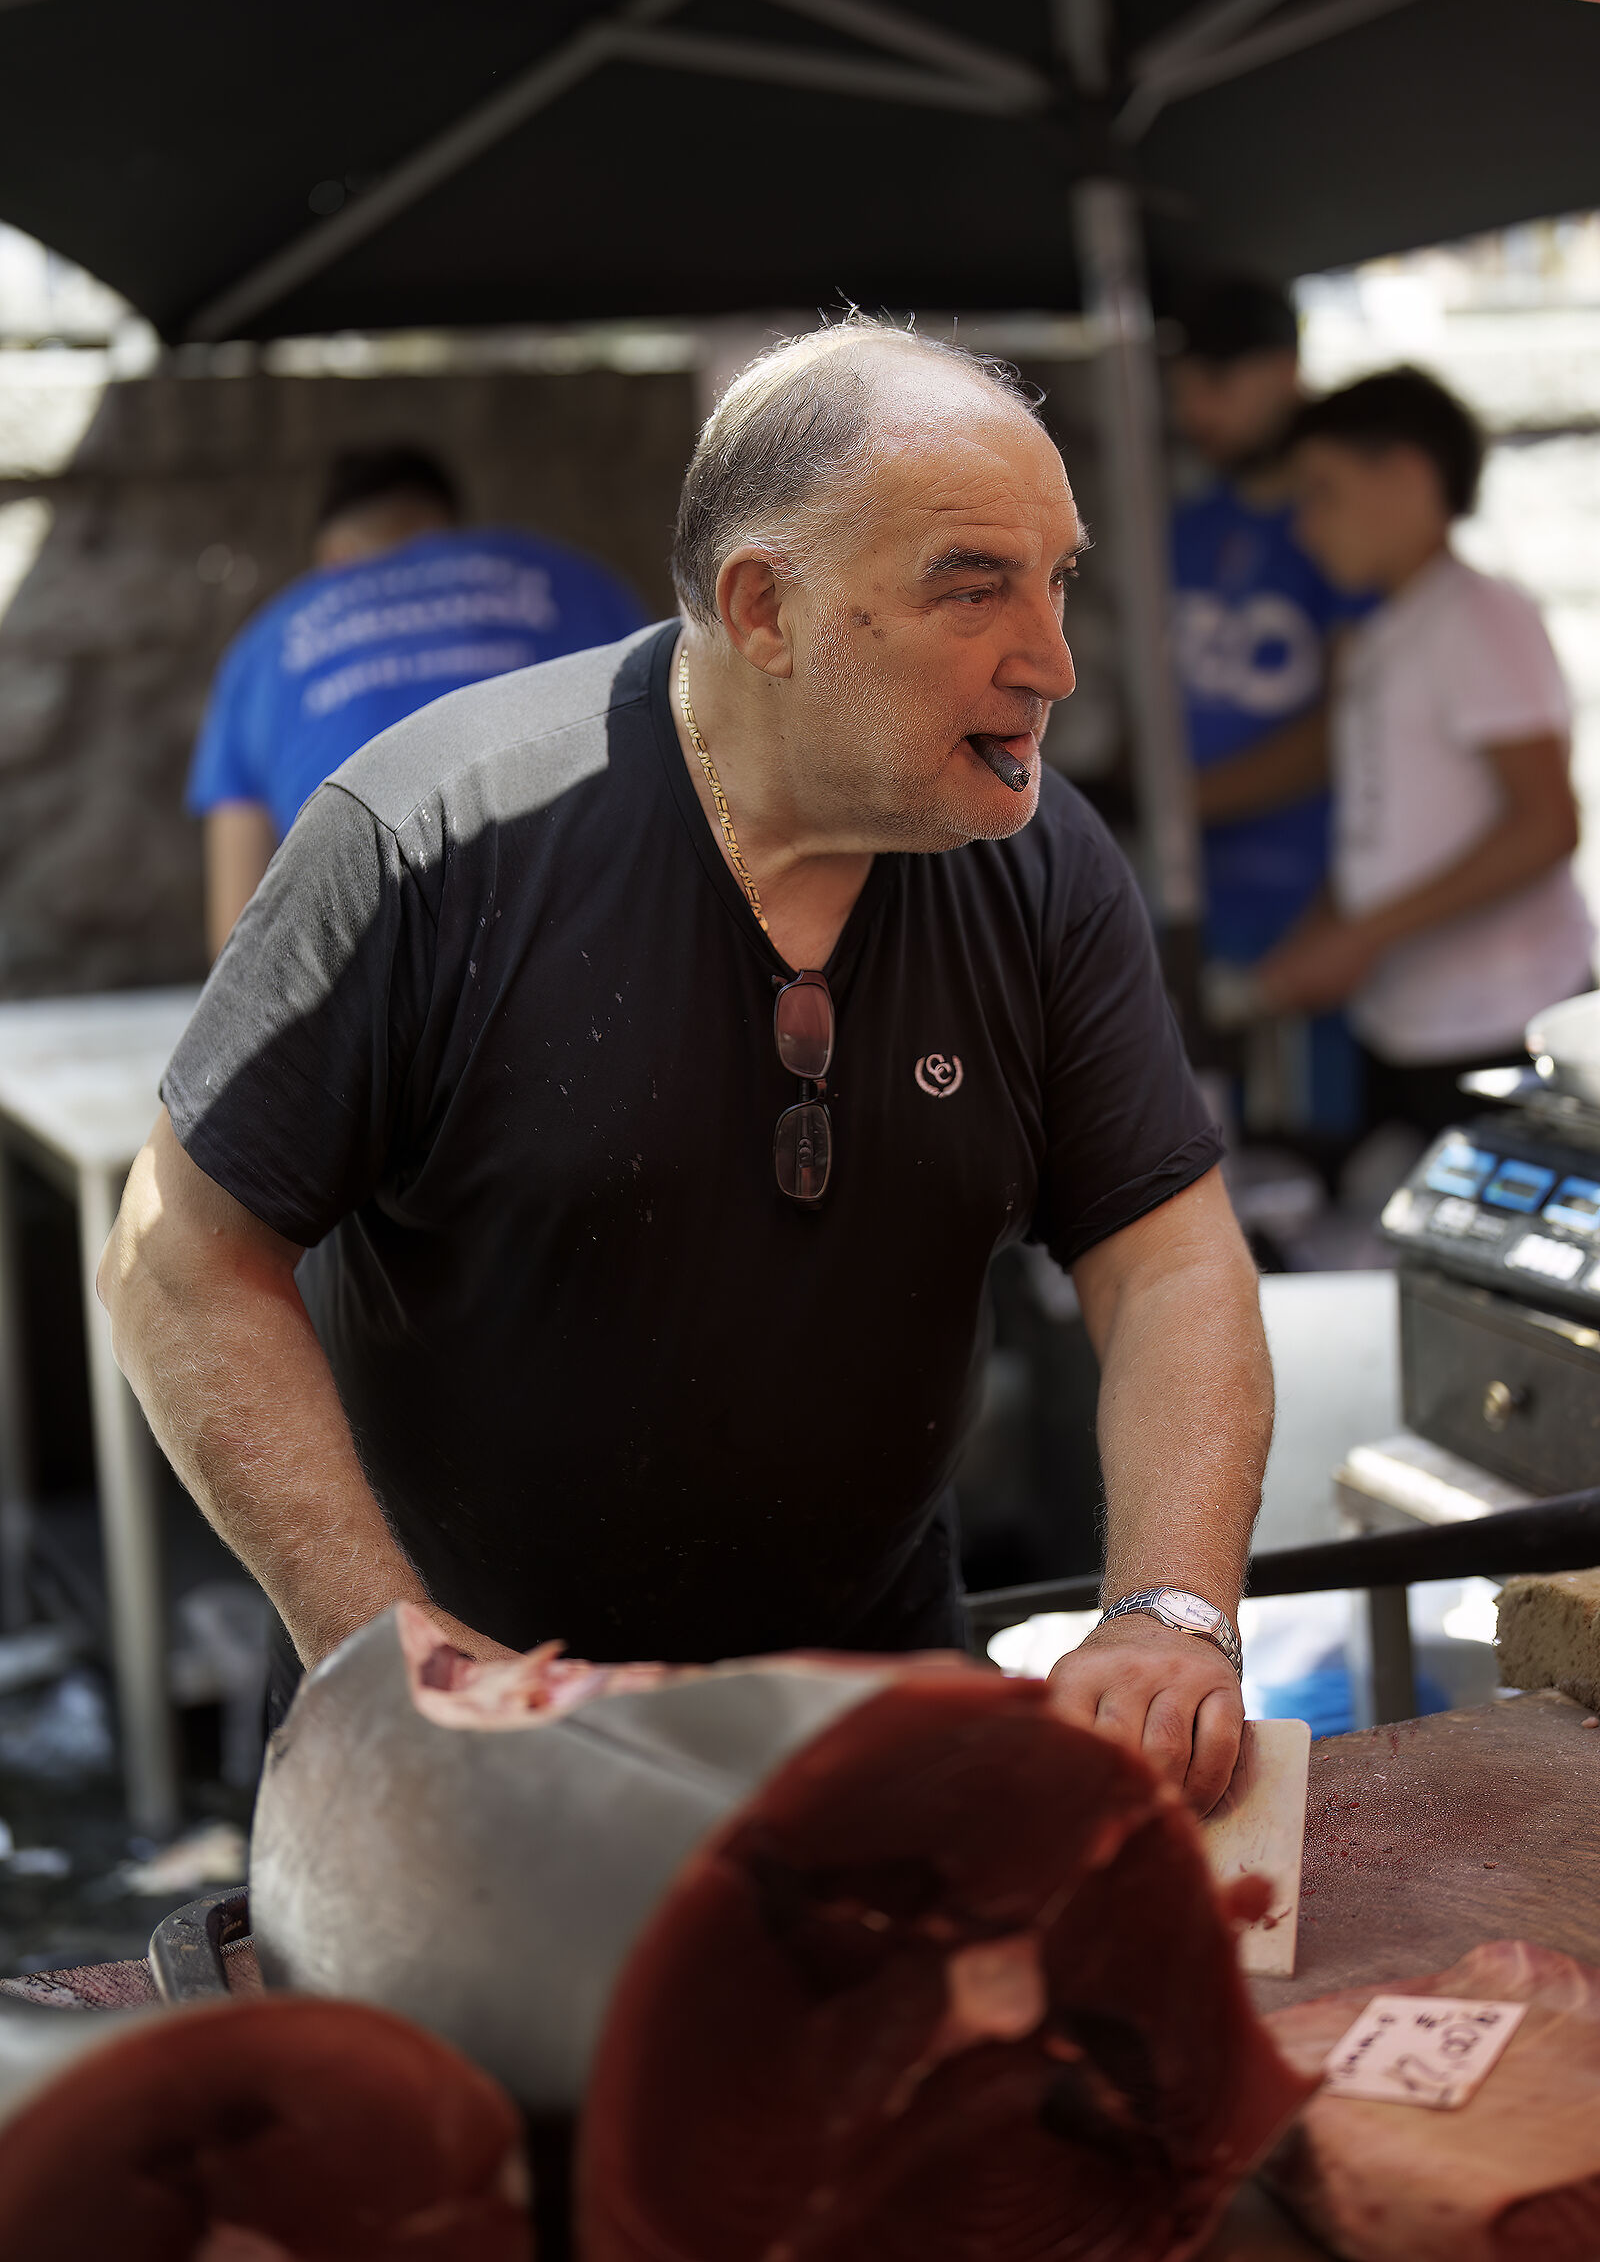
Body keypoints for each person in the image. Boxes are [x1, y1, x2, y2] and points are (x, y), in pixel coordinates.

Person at [101, 324, 1273, 1814]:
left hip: (875, 1717)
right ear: (762, 607)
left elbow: (1168, 1261)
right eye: (972, 586)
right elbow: (178, 1262)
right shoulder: (432, 837)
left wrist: (1170, 1610)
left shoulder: (1043, 861)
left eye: (1060, 580)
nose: (1050, 660)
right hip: (476, 1753)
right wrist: (390, 1654)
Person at [1257, 366, 1593, 1138]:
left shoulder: (1481, 614)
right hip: (1407, 1019)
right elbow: (1379, 822)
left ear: (1408, 476)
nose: (1307, 526)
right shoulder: (1384, 632)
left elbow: (1546, 825)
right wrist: (1327, 931)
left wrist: (1360, 938)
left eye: (1324, 492)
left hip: (1503, 1023)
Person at [188, 443, 646, 955]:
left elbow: (237, 942)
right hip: (579, 945)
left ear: (334, 557)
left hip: (366, 979)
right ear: (449, 529)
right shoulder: (581, 585)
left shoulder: (260, 651)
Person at [1168, 282, 1372, 1133]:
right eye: (1182, 381)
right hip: (1192, 895)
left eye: (1215, 379)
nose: (1192, 407)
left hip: (1320, 900)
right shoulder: (1185, 522)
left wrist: (1180, 801)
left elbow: (1354, 728)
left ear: (1284, 369)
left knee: (1311, 1146)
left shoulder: (1346, 526)